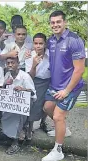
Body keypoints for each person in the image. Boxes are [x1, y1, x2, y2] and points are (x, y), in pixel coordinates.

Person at [42, 10, 86, 161]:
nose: (55, 25)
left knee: (58, 116)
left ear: (65, 22)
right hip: (54, 85)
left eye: (58, 22)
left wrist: (66, 91)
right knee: (47, 108)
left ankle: (58, 150)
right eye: (52, 22)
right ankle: (63, 130)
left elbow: (80, 69)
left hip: (71, 87)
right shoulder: (51, 40)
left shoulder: (74, 40)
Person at [2, 56, 36, 155]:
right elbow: (2, 90)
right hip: (11, 104)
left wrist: (23, 89)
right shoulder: (8, 74)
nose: (10, 65)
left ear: (18, 64)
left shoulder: (25, 76)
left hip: (23, 105)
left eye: (12, 63)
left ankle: (15, 143)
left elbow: (33, 92)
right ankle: (13, 137)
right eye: (8, 63)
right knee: (7, 118)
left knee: (17, 120)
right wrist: (5, 84)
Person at [25, 33, 51, 139]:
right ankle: (29, 129)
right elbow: (30, 76)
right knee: (34, 105)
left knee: (46, 104)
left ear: (45, 44)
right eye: (36, 43)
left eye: (41, 43)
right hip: (35, 81)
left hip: (49, 82)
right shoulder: (30, 56)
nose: (38, 46)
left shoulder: (51, 55)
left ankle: (43, 122)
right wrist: (34, 65)